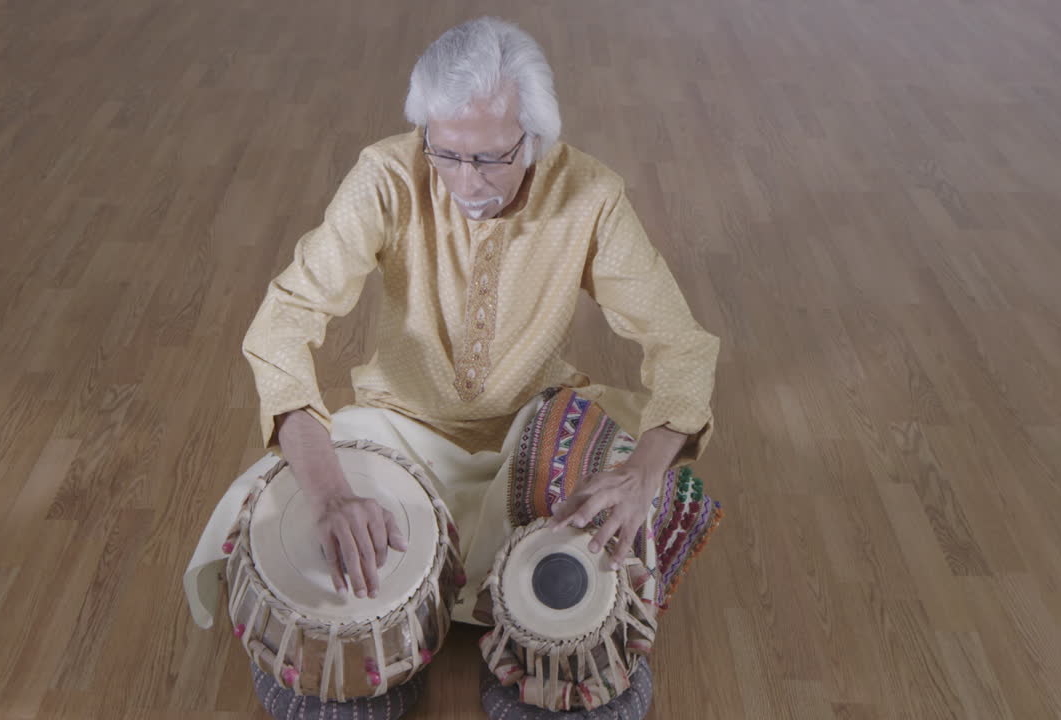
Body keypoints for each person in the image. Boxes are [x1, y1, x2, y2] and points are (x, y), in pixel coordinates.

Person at [184, 14, 719, 715]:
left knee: (614, 521)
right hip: (397, 427)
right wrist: (330, 489)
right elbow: (283, 321)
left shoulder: (590, 196)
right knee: (288, 513)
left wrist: (643, 475)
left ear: (535, 138)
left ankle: (522, 648)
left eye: (492, 158)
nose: (465, 182)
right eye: (446, 153)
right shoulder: (387, 175)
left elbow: (681, 343)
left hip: (532, 432)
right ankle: (414, 637)